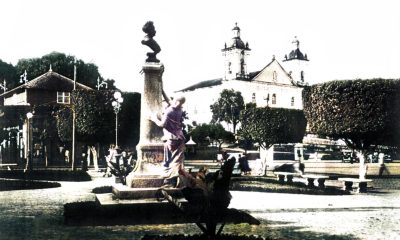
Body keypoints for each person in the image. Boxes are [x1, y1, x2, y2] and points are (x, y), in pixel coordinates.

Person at [150, 95, 190, 187]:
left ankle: (168, 181)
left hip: (171, 139)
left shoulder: (168, 111)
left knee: (168, 161)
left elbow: (162, 124)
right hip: (180, 138)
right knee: (176, 161)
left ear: (175, 102)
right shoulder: (180, 110)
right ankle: (175, 180)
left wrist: (154, 118)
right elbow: (171, 101)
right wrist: (163, 91)